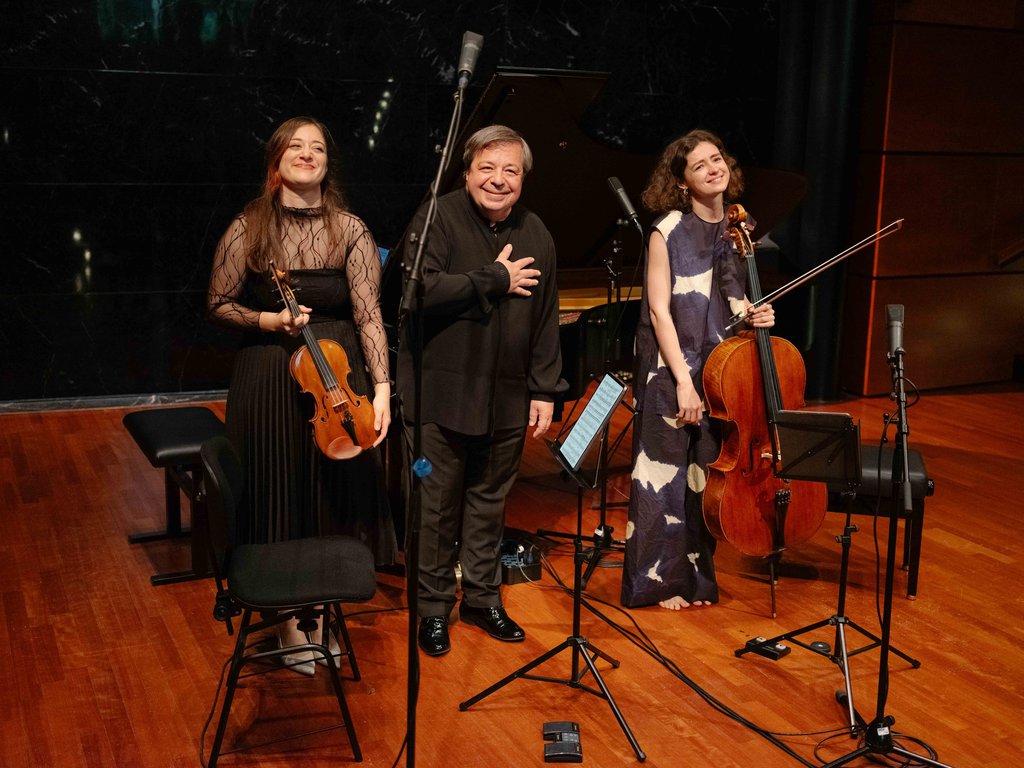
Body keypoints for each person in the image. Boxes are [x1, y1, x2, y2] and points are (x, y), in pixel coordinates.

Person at [207, 116, 396, 673]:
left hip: (336, 377)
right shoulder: (249, 226)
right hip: (267, 375)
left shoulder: (351, 230)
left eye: (317, 147)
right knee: (277, 487)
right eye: (296, 146)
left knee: (328, 491)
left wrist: (381, 389)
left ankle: (322, 611)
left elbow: (369, 315)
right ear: (277, 159)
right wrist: (269, 318)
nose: (307, 154)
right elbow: (219, 303)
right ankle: (287, 617)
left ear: (327, 163)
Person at [396, 124, 562, 656]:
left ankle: (483, 599)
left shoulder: (537, 232)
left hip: (508, 397)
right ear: (466, 172)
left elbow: (546, 320)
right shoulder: (438, 216)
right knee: (437, 506)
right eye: (487, 168)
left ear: (525, 179)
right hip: (440, 395)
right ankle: (432, 608)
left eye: (510, 170)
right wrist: (492, 278)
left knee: (490, 503)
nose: (498, 180)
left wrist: (544, 389)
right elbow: (418, 290)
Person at [620, 129, 775, 611]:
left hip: (721, 372)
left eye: (717, 158)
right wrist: (683, 381)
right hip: (672, 371)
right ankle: (658, 584)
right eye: (699, 164)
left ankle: (696, 579)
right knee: (663, 475)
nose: (713, 168)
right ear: (683, 183)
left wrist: (759, 313)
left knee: (704, 478)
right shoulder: (667, 230)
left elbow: (737, 300)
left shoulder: (739, 232)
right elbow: (660, 311)